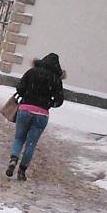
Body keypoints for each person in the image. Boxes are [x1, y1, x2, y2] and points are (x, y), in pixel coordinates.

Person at [6, 53, 64, 181]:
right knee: (31, 144)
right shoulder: (56, 79)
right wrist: (49, 104)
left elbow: (20, 89)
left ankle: (13, 160)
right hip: (41, 114)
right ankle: (22, 171)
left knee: (19, 138)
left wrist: (28, 95)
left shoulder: (31, 72)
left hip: (25, 109)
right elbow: (59, 100)